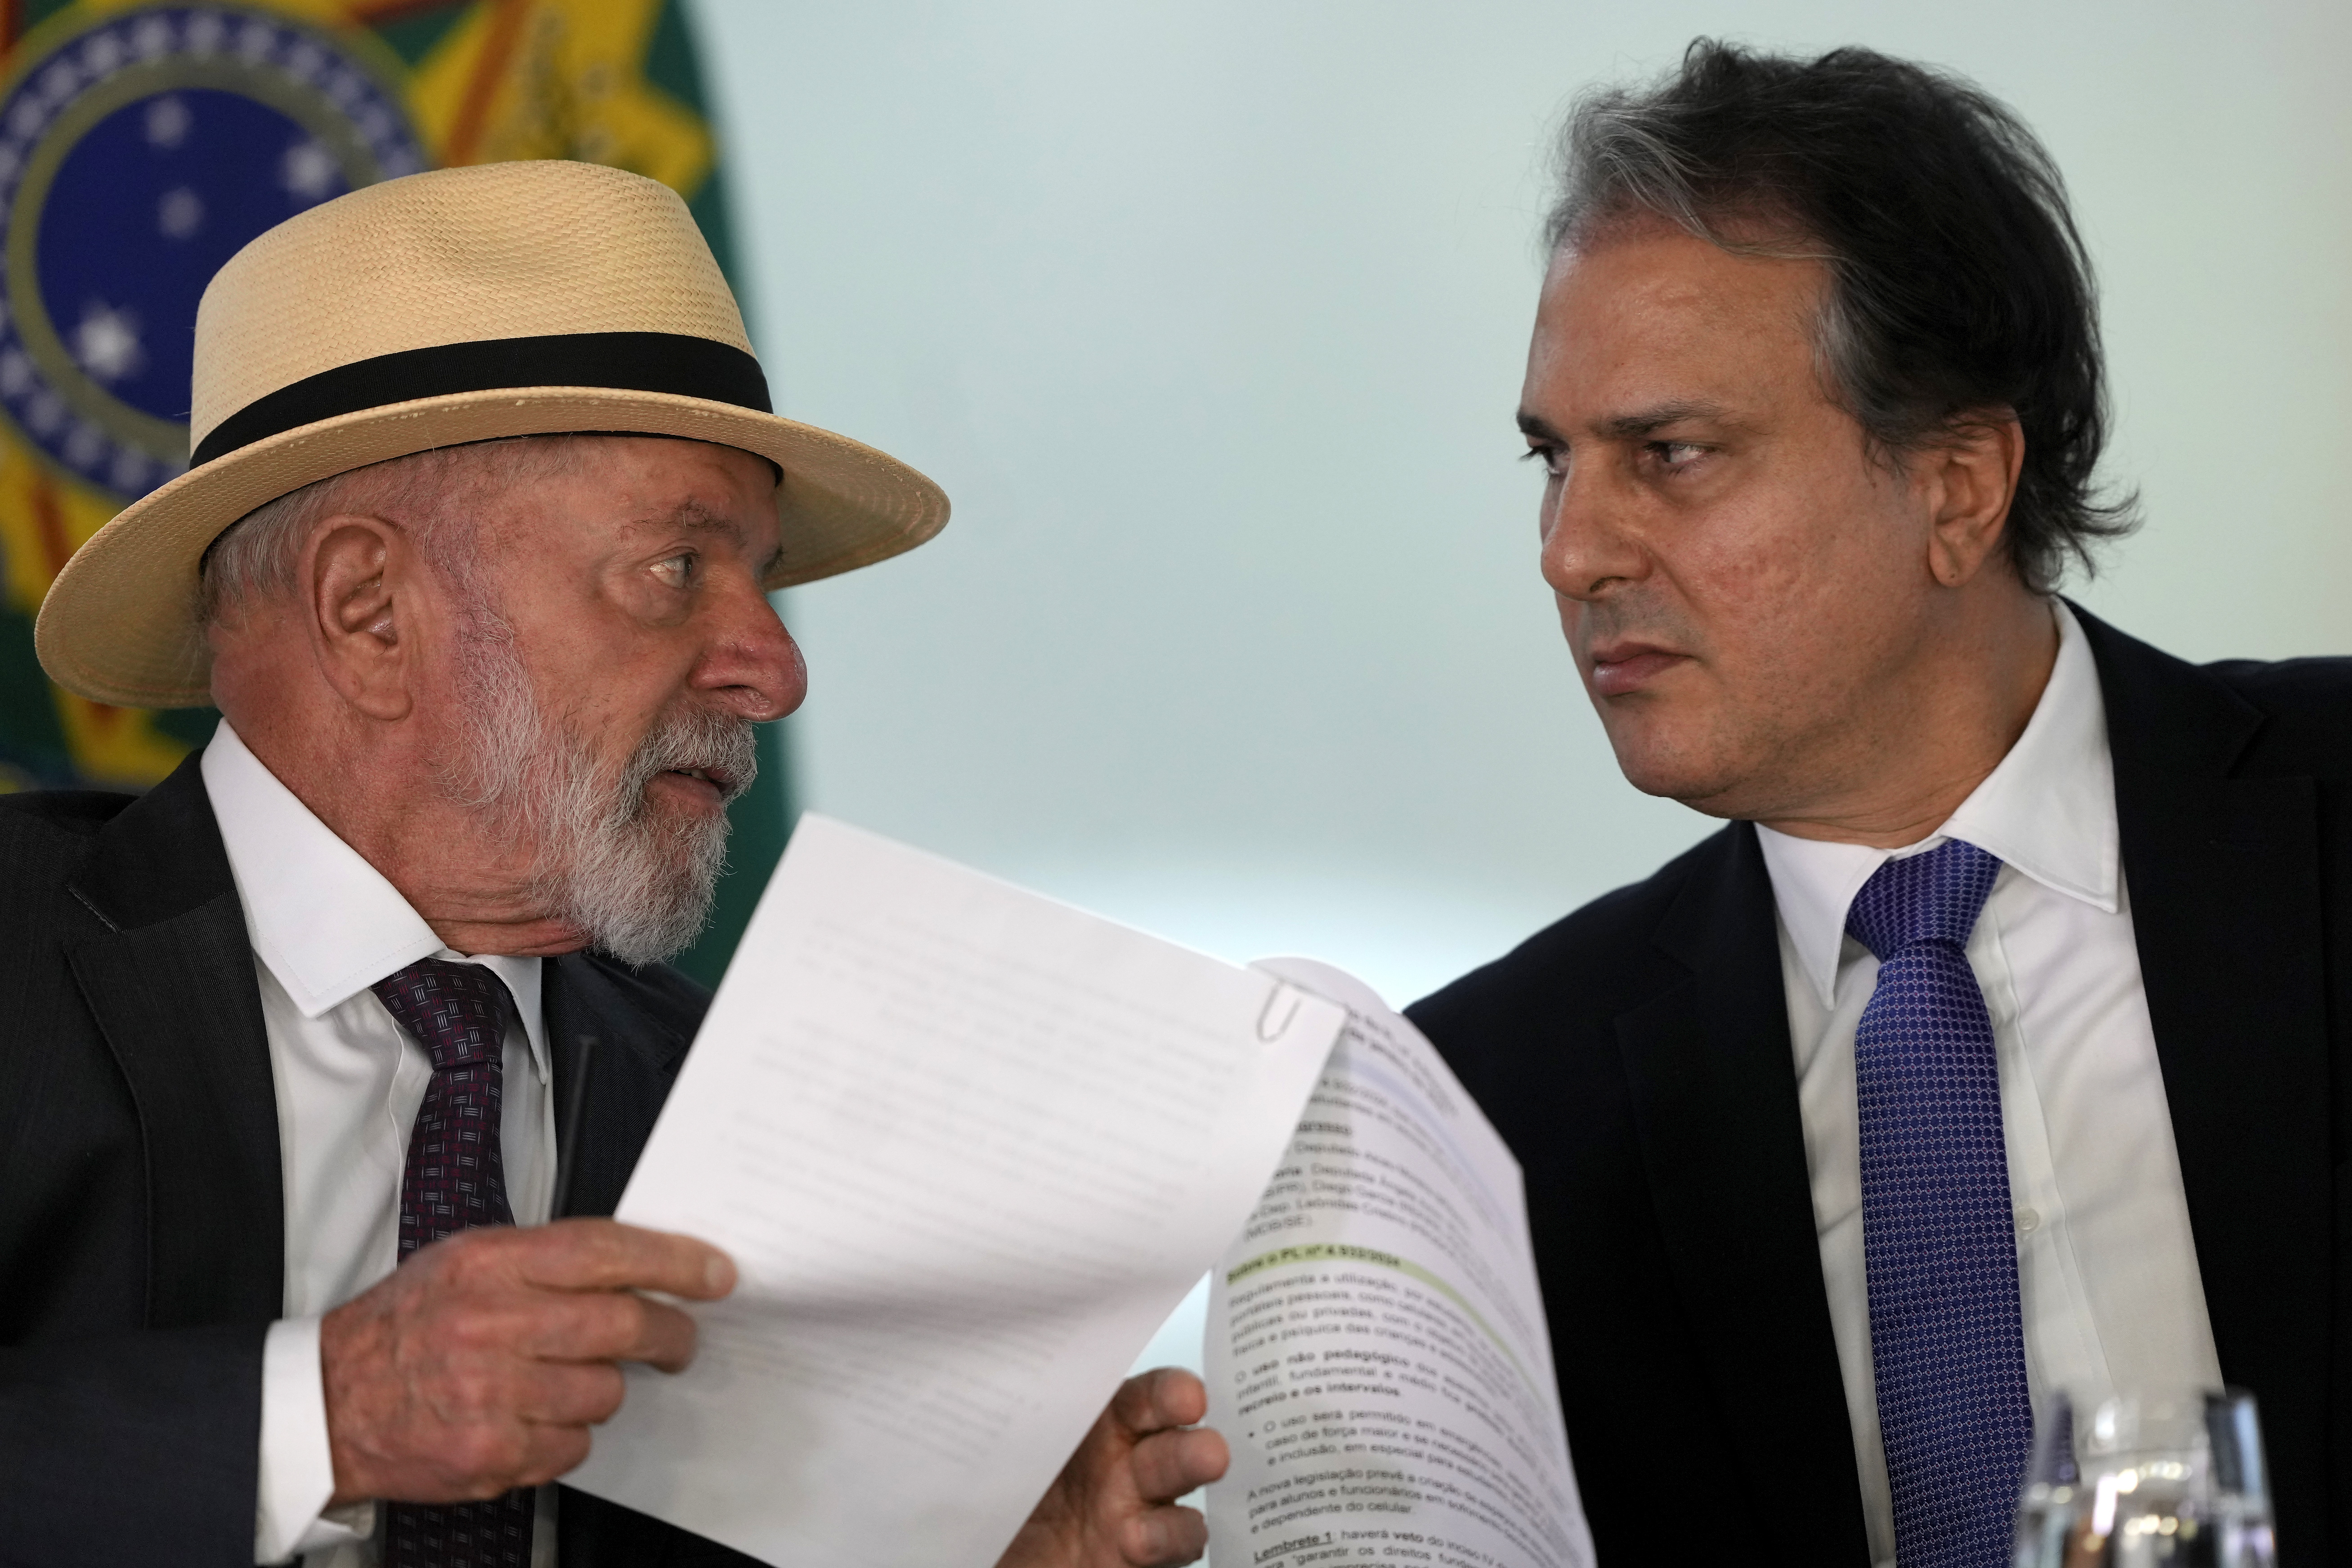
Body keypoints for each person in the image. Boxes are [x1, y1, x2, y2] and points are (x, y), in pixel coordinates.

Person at [1, 160, 1224, 1568]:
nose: (774, 667)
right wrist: (318, 1417)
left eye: (764, 580)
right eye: (678, 569)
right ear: (368, 612)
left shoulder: (736, 1102)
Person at [1406, 40, 2350, 1568]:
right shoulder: (1482, 1113)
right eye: (1554, 462)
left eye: (1672, 454)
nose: (1571, 552)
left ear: (1961, 486)